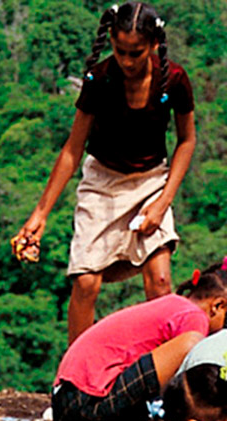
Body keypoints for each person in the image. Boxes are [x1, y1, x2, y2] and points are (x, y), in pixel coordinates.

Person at [13, 2, 196, 342]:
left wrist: (162, 202)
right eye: (120, 51)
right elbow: (72, 148)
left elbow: (187, 141)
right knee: (85, 281)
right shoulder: (100, 79)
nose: (127, 61)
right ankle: (73, 381)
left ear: (154, 45)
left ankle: (163, 370)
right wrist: (40, 213)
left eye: (136, 53)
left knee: (160, 281)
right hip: (102, 181)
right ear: (110, 41)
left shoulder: (173, 79)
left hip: (152, 180)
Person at [52, 260, 227, 421]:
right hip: (83, 409)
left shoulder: (172, 305)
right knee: (191, 349)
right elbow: (186, 384)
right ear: (218, 305)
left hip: (67, 404)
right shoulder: (194, 317)